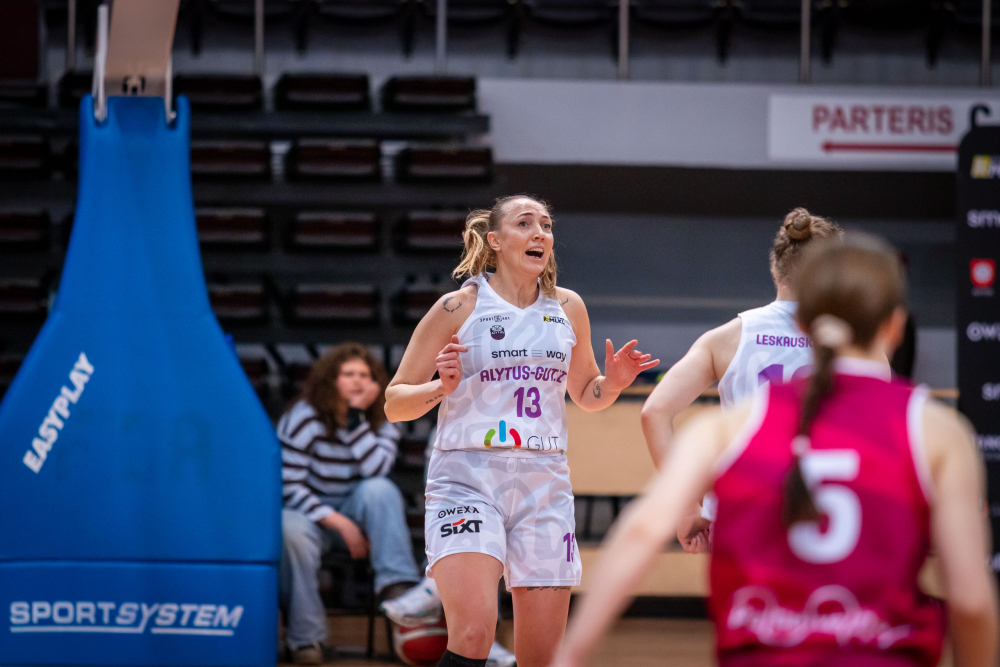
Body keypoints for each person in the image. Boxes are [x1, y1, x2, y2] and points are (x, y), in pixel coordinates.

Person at [551, 235, 999, 667]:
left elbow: (639, 530)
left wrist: (571, 656)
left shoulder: (733, 425)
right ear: (895, 327)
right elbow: (972, 601)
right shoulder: (934, 430)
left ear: (804, 323)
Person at [384, 195, 659, 667]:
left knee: (541, 655)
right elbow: (394, 404)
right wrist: (439, 387)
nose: (540, 234)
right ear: (494, 240)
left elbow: (586, 393)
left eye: (546, 226)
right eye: (525, 223)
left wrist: (612, 384)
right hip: (468, 478)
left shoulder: (568, 307)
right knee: (473, 633)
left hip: (543, 484)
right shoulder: (458, 307)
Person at [640, 208, 842, 552]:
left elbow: (654, 412)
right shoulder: (855, 345)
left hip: (740, 512)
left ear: (776, 268)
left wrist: (686, 509)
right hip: (827, 515)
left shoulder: (725, 337)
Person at [279, 343, 422, 665]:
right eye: (348, 374)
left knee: (381, 490)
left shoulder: (385, 417)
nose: (357, 381)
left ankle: (398, 590)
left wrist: (355, 418)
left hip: (359, 512)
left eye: (364, 375)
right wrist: (339, 523)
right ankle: (306, 639)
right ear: (330, 380)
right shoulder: (303, 417)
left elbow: (377, 469)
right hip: (311, 517)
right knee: (288, 528)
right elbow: (287, 485)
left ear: (376, 383)